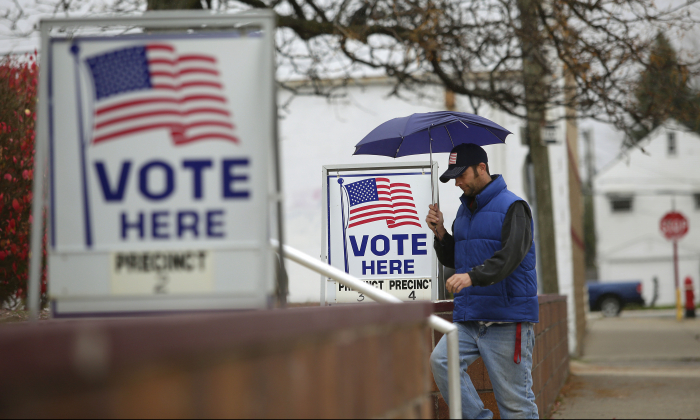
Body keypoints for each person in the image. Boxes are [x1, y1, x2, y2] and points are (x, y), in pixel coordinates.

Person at [427, 143, 539, 419]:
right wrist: (441, 232)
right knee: (442, 362)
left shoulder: (514, 207)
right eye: (453, 178)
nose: (457, 183)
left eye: (461, 175)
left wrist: (471, 277)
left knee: (516, 407)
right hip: (470, 317)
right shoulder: (464, 212)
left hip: (505, 319)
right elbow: (457, 258)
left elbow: (510, 257)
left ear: (482, 168)